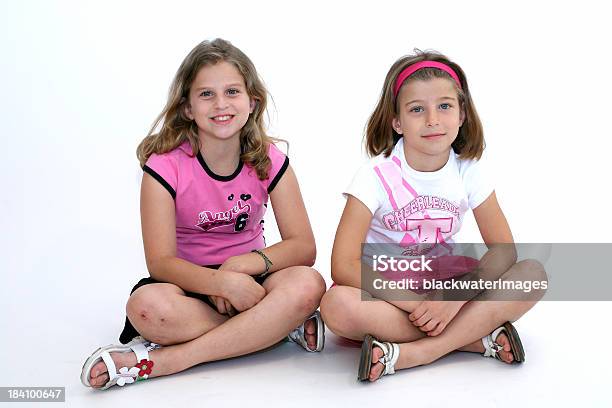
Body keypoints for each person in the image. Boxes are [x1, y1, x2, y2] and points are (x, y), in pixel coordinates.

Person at [81, 38, 326, 390]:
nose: (221, 104)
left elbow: (303, 246)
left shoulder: (269, 159)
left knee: (308, 285)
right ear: (187, 108)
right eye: (206, 94)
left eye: (232, 91)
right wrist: (218, 283)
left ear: (252, 101)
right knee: (147, 309)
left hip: (253, 277)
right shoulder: (164, 166)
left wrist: (240, 267)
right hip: (188, 283)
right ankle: (273, 329)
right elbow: (161, 262)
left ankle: (169, 360)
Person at [320, 50, 547, 382]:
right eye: (416, 110)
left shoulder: (469, 171)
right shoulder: (374, 175)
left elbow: (503, 250)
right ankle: (473, 339)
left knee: (533, 274)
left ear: (461, 115)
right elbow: (343, 265)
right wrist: (418, 306)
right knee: (336, 306)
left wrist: (451, 299)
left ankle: (416, 353)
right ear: (396, 121)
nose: (432, 120)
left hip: (445, 283)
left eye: (444, 106)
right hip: (389, 291)